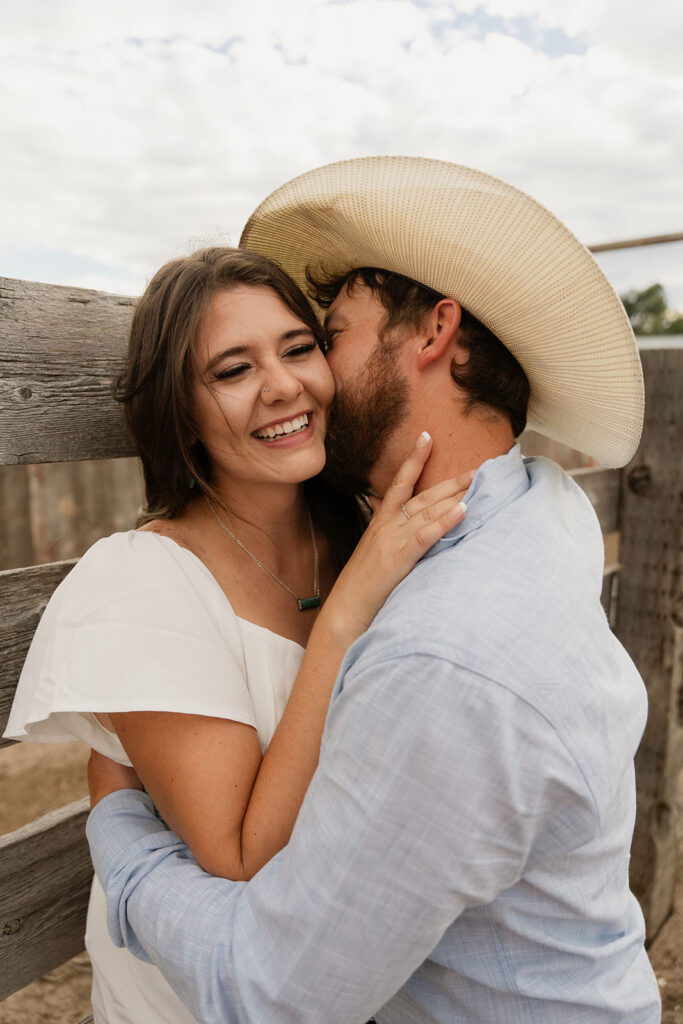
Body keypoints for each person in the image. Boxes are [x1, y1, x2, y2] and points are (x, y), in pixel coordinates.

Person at [85, 157, 661, 1023]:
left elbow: (270, 993)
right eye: (235, 368)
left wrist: (119, 840)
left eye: (329, 334)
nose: (307, 374)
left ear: (432, 333)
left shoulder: (440, 656)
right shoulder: (538, 503)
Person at [4, 245, 471, 1024]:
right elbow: (241, 856)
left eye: (298, 348)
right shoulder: (142, 582)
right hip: (203, 995)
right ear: (180, 413)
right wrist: (346, 614)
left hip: (352, 977)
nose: (284, 386)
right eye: (232, 370)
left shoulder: (359, 533)